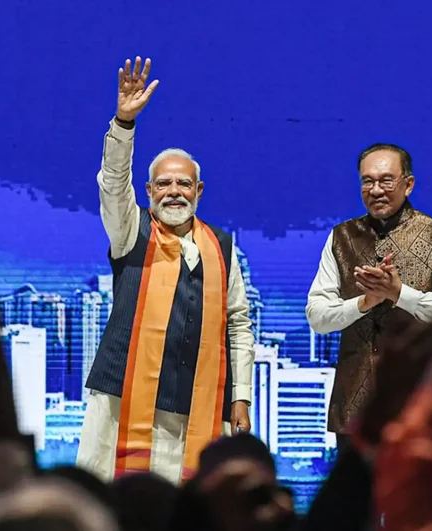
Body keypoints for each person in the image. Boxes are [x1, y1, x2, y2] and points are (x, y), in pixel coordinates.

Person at [77, 56, 255, 485]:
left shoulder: (222, 247)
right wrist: (124, 123)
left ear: (199, 190)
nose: (174, 192)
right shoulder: (130, 229)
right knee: (116, 502)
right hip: (122, 400)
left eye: (183, 184)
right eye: (164, 184)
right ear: (149, 191)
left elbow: (238, 323)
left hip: (197, 405)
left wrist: (242, 397)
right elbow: (112, 184)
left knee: (186, 508)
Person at [305, 143, 432, 450]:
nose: (376, 190)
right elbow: (317, 317)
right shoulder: (341, 237)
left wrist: (398, 293)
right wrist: (363, 303)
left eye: (386, 180)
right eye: (367, 181)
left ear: (408, 184)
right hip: (354, 409)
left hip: (420, 407)